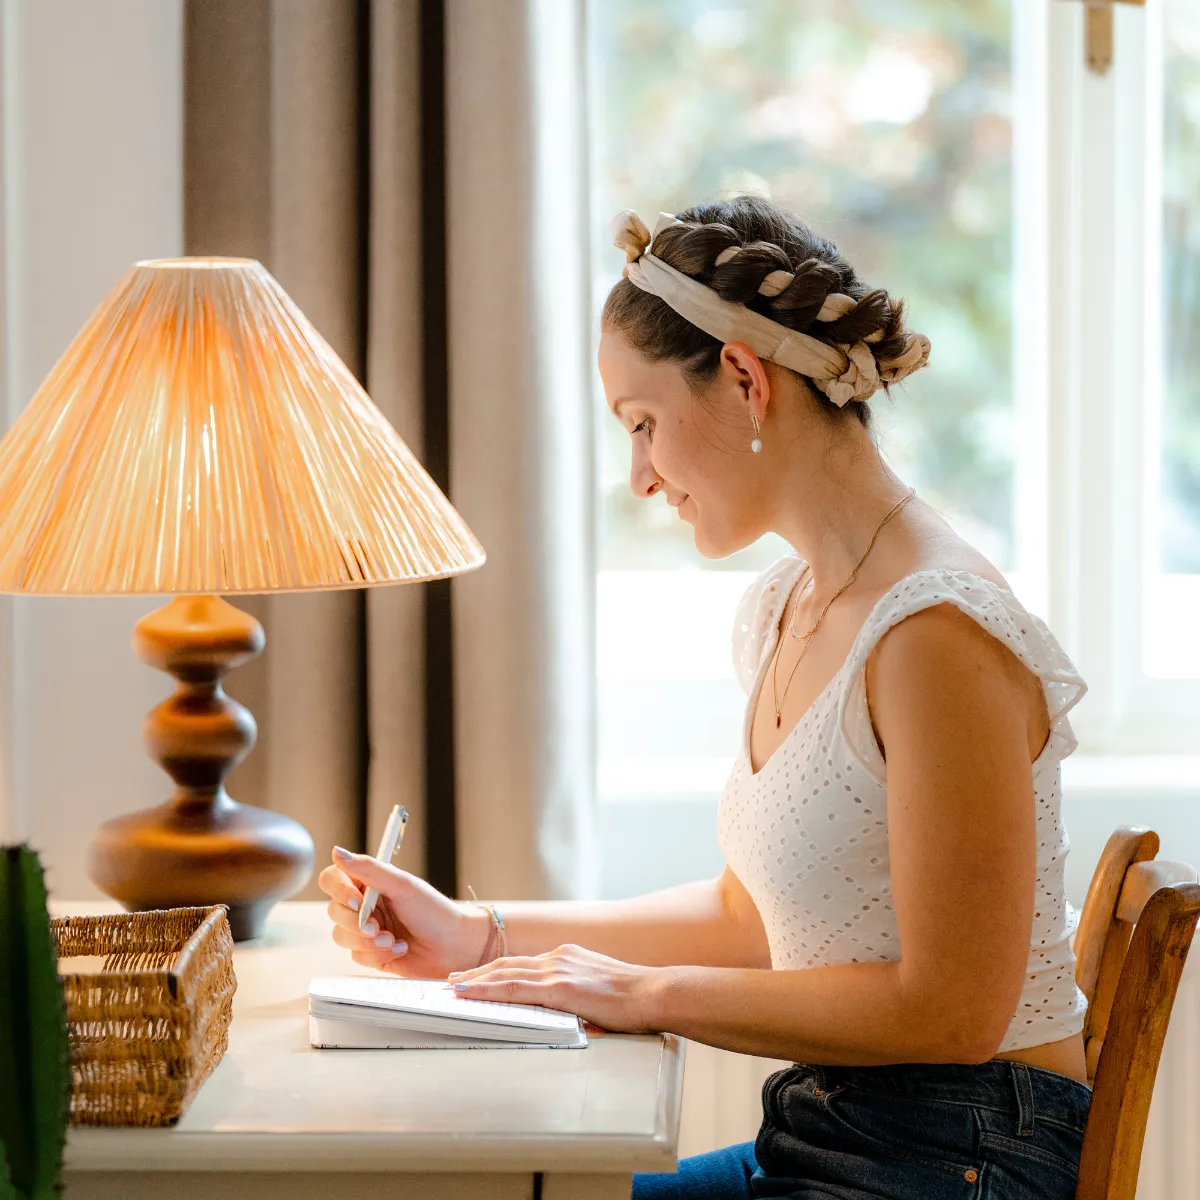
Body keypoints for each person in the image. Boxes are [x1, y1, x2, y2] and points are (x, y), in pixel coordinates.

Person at [320, 194, 1092, 1199]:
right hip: (840, 1132)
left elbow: (954, 1013)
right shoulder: (794, 606)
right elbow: (748, 916)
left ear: (741, 379)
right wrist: (482, 933)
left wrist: (644, 994)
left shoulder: (933, 632)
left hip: (961, 1157)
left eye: (642, 424)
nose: (639, 476)